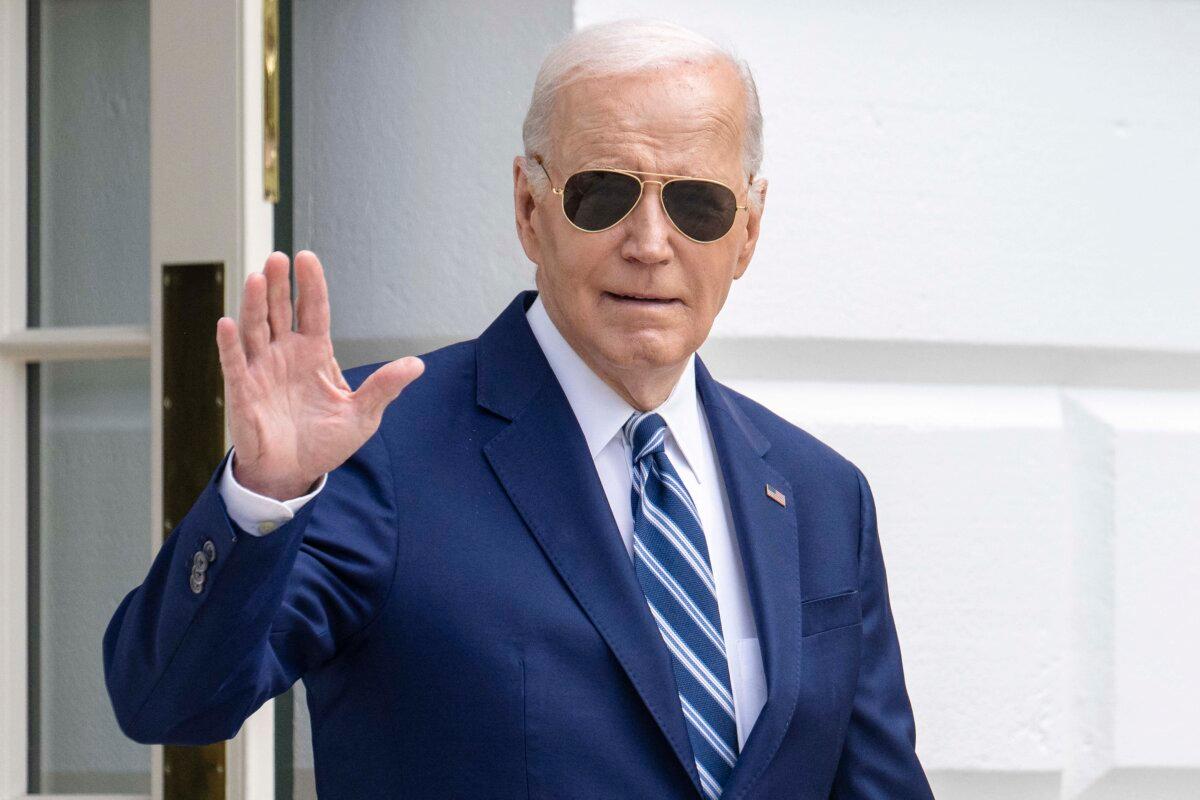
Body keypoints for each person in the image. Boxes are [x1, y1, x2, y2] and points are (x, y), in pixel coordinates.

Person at [103, 18, 933, 800]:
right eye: (602, 195)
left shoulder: (821, 495)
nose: (650, 242)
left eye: (697, 204)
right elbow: (167, 704)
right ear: (529, 207)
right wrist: (261, 500)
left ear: (747, 231)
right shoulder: (377, 452)